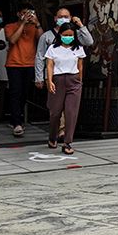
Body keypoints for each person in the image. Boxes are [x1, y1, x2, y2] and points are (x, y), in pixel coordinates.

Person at [44, 23, 85, 154]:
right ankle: (52, 136)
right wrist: (49, 81)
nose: (68, 37)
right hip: (58, 80)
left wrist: (79, 80)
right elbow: (50, 65)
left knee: (71, 112)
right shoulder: (53, 48)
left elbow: (80, 66)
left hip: (73, 80)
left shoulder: (78, 48)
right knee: (55, 112)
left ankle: (67, 142)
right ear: (60, 34)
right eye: (65, 35)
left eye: (70, 35)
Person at [4, 4, 40, 137]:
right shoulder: (10, 26)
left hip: (30, 64)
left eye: (29, 13)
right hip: (14, 64)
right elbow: (12, 40)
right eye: (24, 13)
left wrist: (37, 23)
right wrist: (23, 24)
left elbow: (42, 39)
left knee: (25, 93)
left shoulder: (33, 27)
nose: (27, 15)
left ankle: (16, 117)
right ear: (19, 14)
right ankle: (17, 124)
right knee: (15, 92)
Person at [35, 7, 94, 88]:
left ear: (71, 18)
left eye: (66, 17)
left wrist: (80, 25)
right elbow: (39, 57)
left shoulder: (75, 34)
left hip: (72, 75)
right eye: (60, 17)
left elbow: (89, 42)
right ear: (55, 18)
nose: (63, 19)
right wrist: (39, 78)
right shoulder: (46, 36)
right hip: (52, 76)